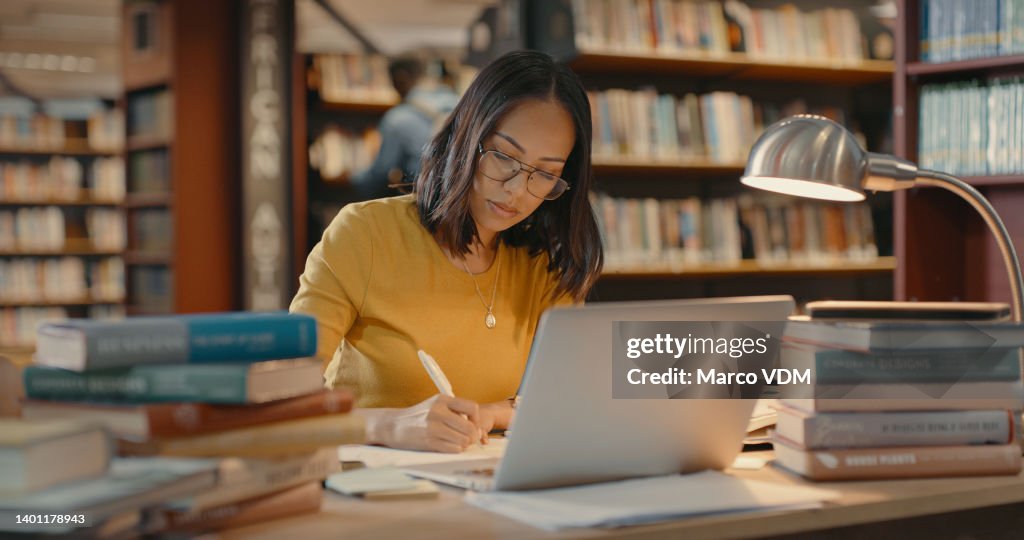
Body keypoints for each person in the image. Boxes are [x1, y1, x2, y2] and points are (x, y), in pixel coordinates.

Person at [290, 50, 603, 453]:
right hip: (369, 485)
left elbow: (567, 399)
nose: (517, 190)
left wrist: (491, 414)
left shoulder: (545, 264)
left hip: (477, 485)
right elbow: (284, 399)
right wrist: (389, 425)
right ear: (466, 136)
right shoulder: (365, 233)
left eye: (544, 174)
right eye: (505, 157)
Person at [348, 56, 458, 199]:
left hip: (426, 201)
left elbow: (381, 173)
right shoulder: (462, 103)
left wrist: (355, 181)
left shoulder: (398, 119)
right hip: (460, 200)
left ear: (400, 78)